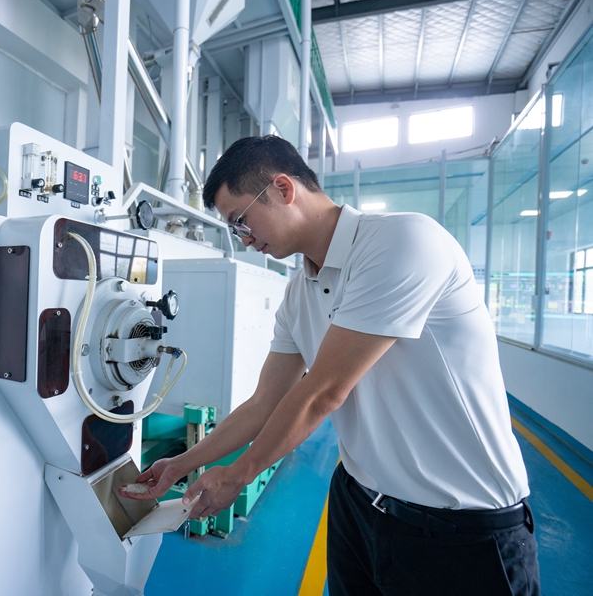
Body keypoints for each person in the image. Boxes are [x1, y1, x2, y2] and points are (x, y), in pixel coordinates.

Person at [120, 135, 540, 595]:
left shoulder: (402, 243)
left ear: (283, 188)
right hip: (359, 503)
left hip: (460, 529)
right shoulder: (298, 294)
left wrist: (239, 475)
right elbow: (264, 402)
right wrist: (181, 464)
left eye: (240, 220)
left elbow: (324, 392)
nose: (244, 238)